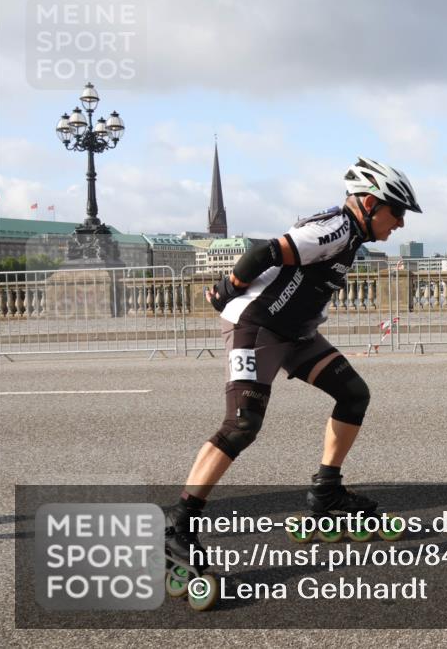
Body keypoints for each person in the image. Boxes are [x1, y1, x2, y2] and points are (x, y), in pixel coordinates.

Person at [166, 157, 421, 566]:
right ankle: (179, 527)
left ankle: (327, 490)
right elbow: (265, 251)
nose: (401, 223)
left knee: (353, 394)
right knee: (241, 426)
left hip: (297, 334)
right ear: (371, 203)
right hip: (257, 328)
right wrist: (228, 287)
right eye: (398, 212)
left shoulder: (352, 235)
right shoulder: (335, 228)